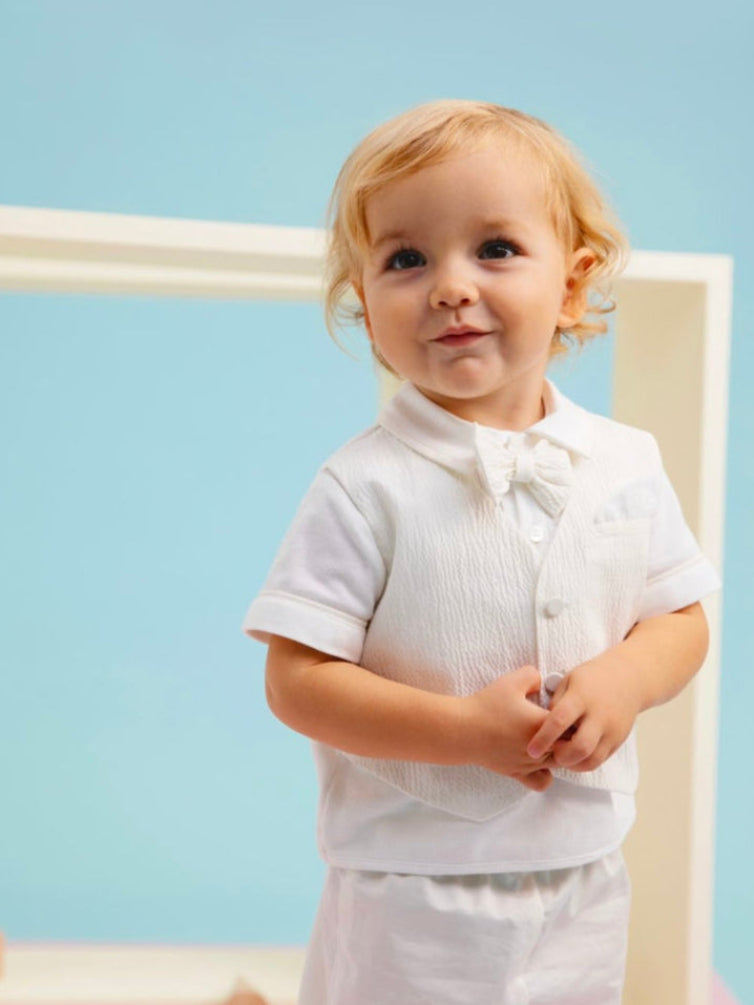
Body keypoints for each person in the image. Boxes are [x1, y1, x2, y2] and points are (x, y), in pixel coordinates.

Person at [242, 100, 721, 1005]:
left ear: (573, 284)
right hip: (409, 884)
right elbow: (297, 680)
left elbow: (681, 619)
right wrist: (463, 730)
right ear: (363, 306)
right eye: (406, 259)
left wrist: (625, 678)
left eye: (495, 248)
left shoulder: (627, 460)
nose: (450, 286)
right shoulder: (364, 485)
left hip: (582, 871)